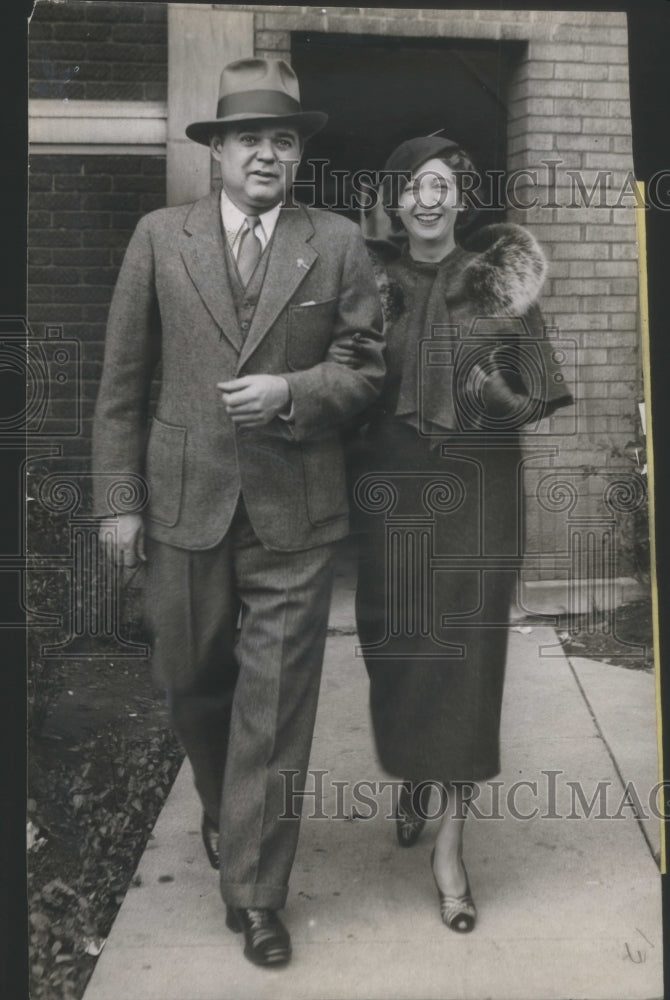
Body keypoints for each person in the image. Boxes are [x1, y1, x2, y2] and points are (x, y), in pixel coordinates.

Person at [92, 57, 384, 968]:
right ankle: (227, 809)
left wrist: (293, 391)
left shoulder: (334, 241)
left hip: (295, 516)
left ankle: (258, 895)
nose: (267, 154)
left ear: (299, 155)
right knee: (191, 686)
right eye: (249, 139)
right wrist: (118, 502)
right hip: (183, 506)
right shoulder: (158, 237)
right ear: (217, 153)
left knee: (275, 711)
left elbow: (368, 369)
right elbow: (120, 386)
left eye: (283, 140)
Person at [336, 135, 572, 932]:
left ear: (461, 199)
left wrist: (500, 397)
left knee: (467, 662)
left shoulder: (500, 280)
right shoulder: (368, 282)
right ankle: (413, 770)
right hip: (390, 497)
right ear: (395, 201)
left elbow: (543, 392)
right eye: (413, 186)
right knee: (395, 648)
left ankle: (450, 848)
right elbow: (341, 382)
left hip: (477, 496)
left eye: (441, 186)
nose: (427, 199)